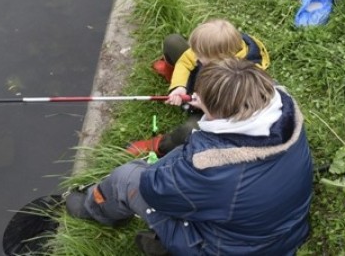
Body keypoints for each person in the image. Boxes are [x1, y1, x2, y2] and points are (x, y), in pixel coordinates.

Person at [66, 58, 313, 256]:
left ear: (220, 112)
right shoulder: (284, 116)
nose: (193, 98)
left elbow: (154, 190)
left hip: (228, 248)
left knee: (127, 179)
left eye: (199, 98)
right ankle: (165, 242)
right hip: (287, 232)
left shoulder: (207, 165)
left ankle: (92, 207)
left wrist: (180, 154)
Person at [126, 18, 270, 157]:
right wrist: (179, 86)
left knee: (189, 131)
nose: (196, 58)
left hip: (212, 107)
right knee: (172, 42)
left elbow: (228, 114)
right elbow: (186, 59)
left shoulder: (243, 80)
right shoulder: (218, 48)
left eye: (200, 56)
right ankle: (171, 73)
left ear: (220, 59)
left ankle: (159, 145)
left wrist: (202, 104)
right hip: (200, 82)